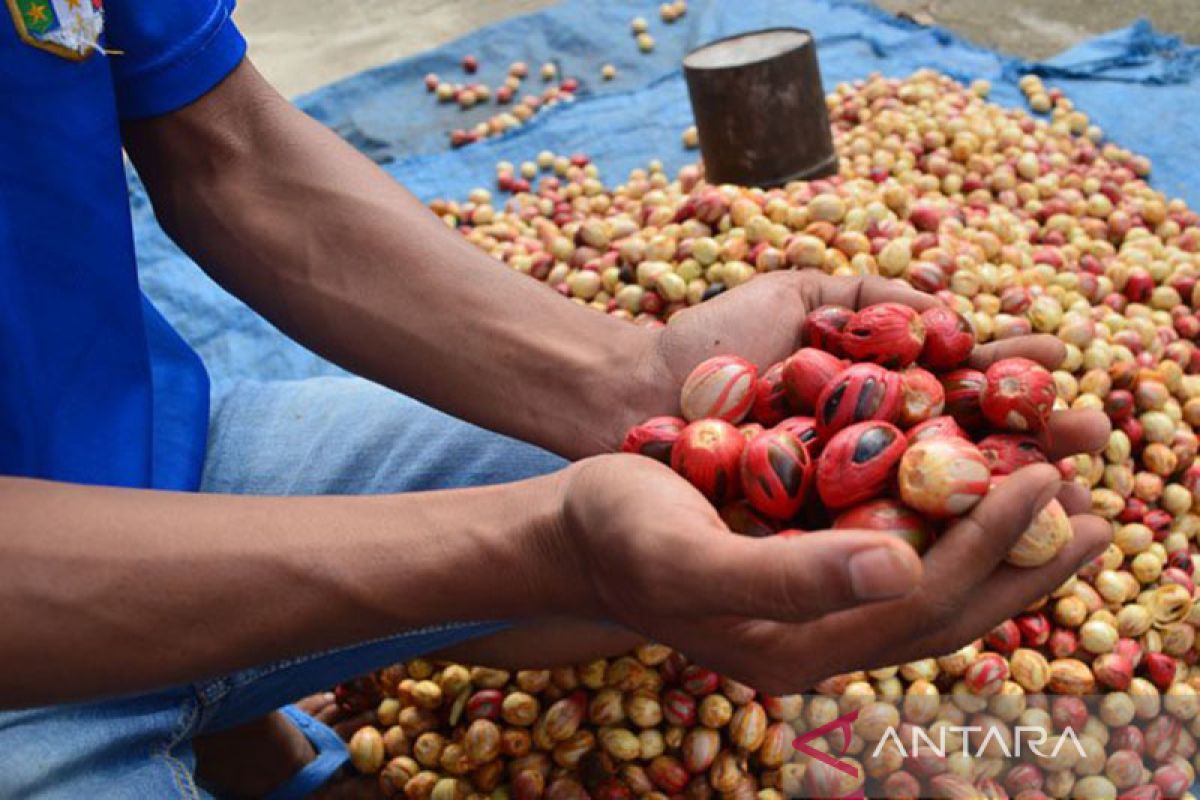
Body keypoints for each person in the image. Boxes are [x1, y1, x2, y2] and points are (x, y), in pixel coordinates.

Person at [0, 0, 1112, 797]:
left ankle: (236, 722)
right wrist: (541, 545)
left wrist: (617, 382)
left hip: (142, 454)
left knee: (683, 482)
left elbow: (226, 147)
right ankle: (218, 719)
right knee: (630, 521)